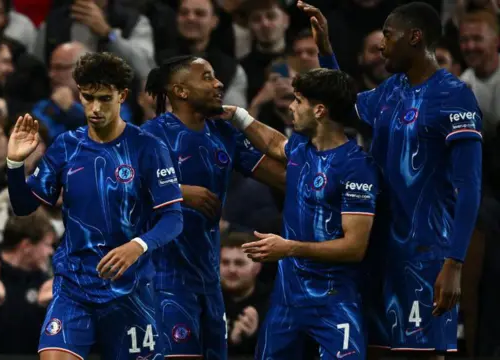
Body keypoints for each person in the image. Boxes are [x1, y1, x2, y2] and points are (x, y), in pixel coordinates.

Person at [298, 1, 483, 357]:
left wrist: (454, 262)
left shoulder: (454, 95)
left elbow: (470, 186)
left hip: (427, 255)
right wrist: (325, 49)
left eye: (388, 34)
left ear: (414, 37)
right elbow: (344, 106)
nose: (381, 44)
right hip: (380, 251)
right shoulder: (390, 89)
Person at [5, 52, 184, 360]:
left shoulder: (148, 148)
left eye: (104, 98)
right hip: (73, 285)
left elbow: (173, 218)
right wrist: (14, 163)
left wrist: (137, 246)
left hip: (131, 289)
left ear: (122, 96)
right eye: (88, 98)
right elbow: (23, 206)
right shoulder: (66, 146)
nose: (95, 108)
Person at [223, 68, 379, 359]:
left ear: (319, 110)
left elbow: (354, 247)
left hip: (334, 300)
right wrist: (239, 117)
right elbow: (274, 144)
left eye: (298, 101)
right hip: (287, 301)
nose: (291, 107)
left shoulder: (357, 167)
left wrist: (289, 248)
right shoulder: (302, 148)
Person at [141, 55, 285, 359]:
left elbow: (288, 172)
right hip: (165, 280)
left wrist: (243, 118)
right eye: (206, 77)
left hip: (209, 282)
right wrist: (178, 192)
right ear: (181, 91)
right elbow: (118, 193)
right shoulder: (150, 136)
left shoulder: (224, 133)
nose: (219, 83)